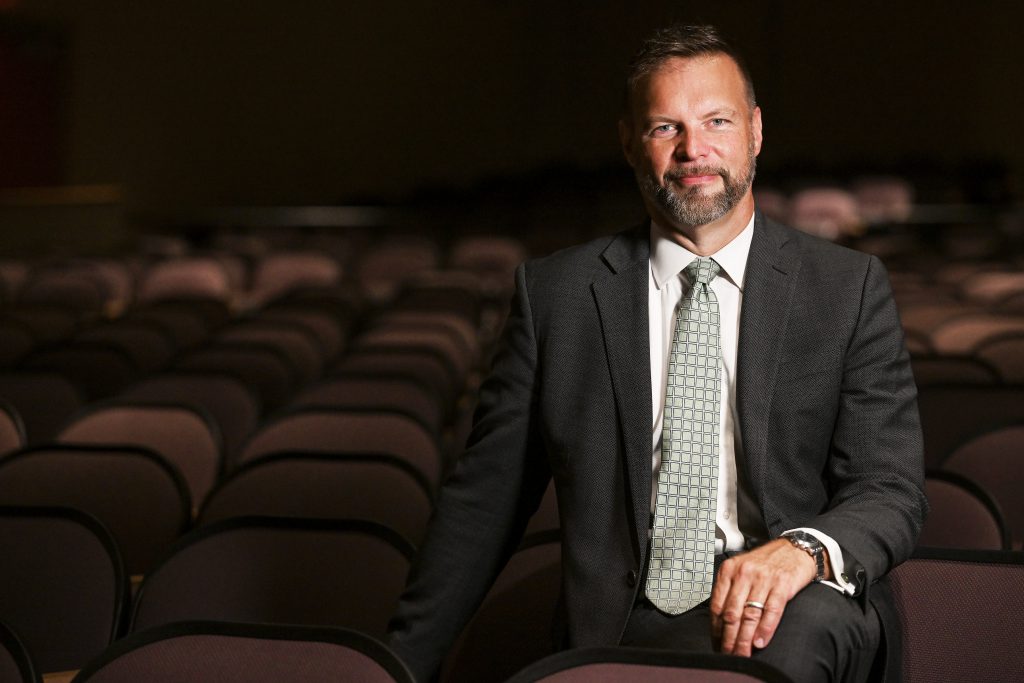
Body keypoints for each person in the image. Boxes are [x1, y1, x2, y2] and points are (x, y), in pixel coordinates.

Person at [387, 24, 926, 683]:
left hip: (795, 603)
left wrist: (802, 551)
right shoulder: (555, 295)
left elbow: (891, 486)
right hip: (617, 622)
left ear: (755, 131)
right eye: (665, 127)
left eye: (717, 120)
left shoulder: (846, 287)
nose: (694, 150)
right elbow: (483, 503)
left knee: (784, 647)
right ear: (628, 142)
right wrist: (397, 666)